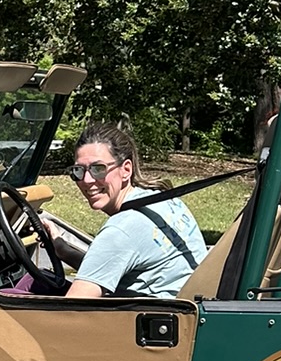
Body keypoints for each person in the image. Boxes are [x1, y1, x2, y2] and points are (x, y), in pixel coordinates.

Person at [63, 123, 205, 299]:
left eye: (98, 169)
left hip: (148, 321)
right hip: (187, 310)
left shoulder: (122, 229)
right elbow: (110, 265)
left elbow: (71, 310)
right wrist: (64, 251)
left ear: (126, 170)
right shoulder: (165, 200)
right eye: (78, 170)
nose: (87, 180)